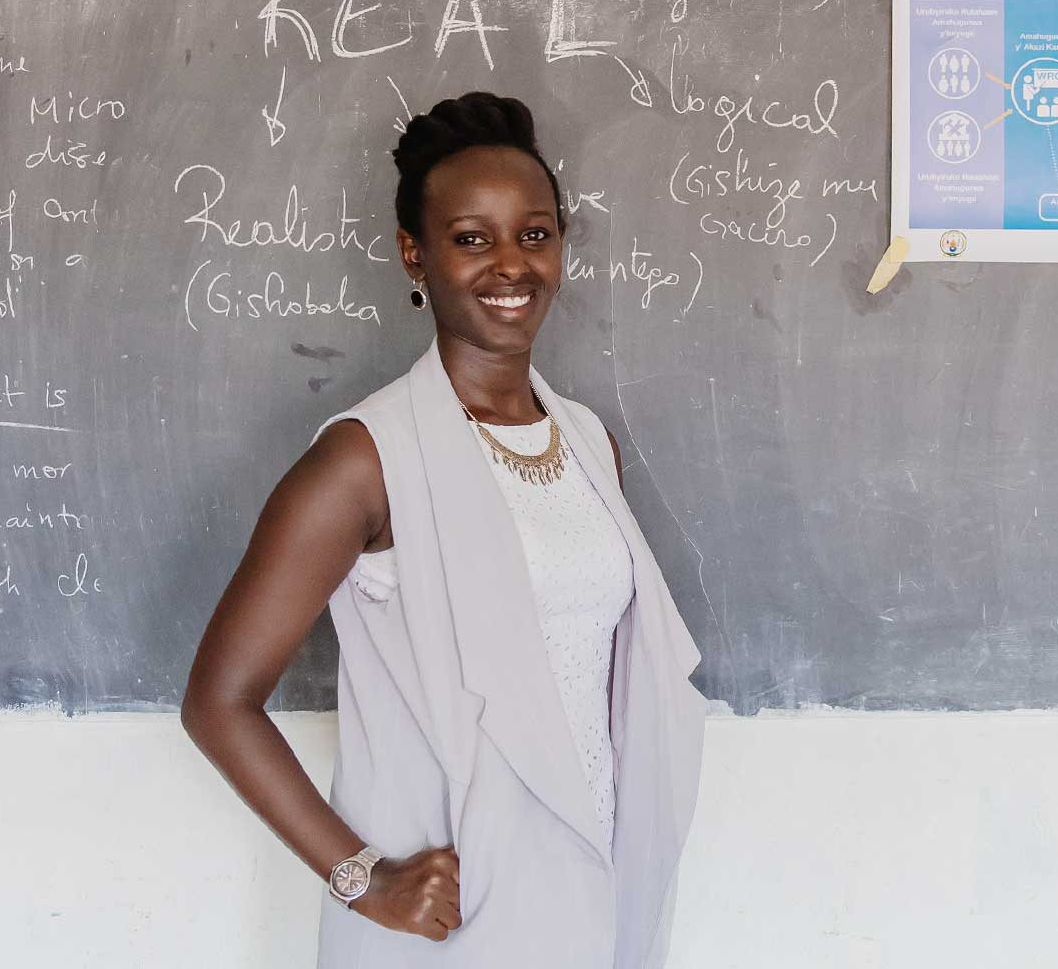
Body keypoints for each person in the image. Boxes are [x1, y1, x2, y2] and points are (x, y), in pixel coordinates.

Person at [183, 92, 707, 967]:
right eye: (472, 239)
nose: (511, 265)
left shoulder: (586, 441)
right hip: (451, 910)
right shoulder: (365, 458)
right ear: (414, 253)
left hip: (591, 878)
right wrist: (363, 879)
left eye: (534, 234)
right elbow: (218, 702)